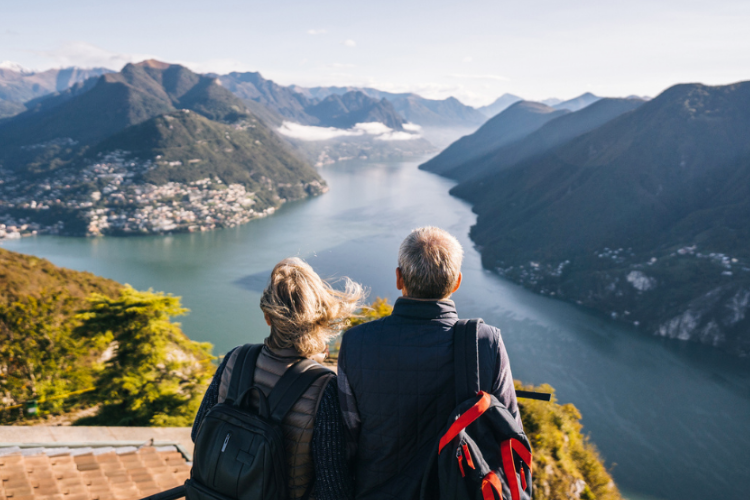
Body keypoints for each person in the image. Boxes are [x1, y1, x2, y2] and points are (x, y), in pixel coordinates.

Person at [337, 227, 520, 500]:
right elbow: (509, 431)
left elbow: (347, 438)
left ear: (399, 278)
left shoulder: (356, 342)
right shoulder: (485, 342)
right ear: (457, 282)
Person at [193, 257, 363, 500]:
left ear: (268, 317)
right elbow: (333, 488)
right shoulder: (323, 387)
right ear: (318, 318)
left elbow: (199, 432)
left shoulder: (235, 358)